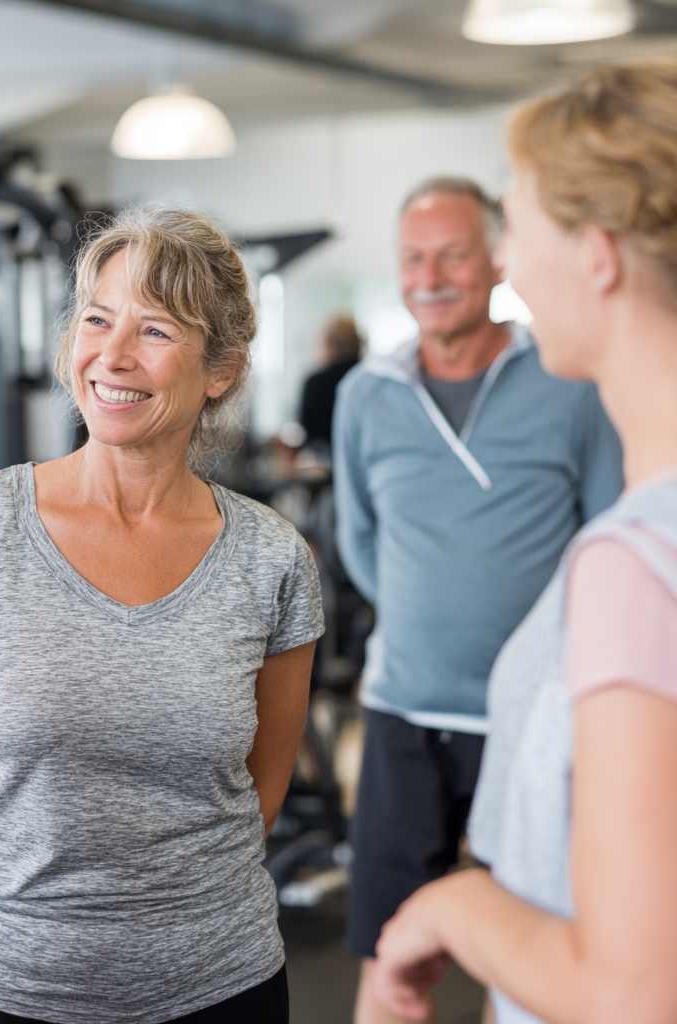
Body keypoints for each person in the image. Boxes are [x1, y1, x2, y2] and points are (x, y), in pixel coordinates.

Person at [0, 206, 325, 1024]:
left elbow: (262, 786)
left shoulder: (272, 557)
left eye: (154, 331)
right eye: (96, 320)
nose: (111, 356)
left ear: (219, 369)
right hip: (11, 992)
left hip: (223, 986)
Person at [373, 60, 677, 1024]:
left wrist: (454, 907)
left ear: (596, 254)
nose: (504, 263)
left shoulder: (632, 560)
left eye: (518, 227)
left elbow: (632, 990)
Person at [334, 176, 624, 1023]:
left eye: (452, 254)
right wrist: (432, 624)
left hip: (535, 718)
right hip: (403, 711)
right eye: (412, 257)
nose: (430, 275)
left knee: (534, 944)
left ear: (495, 259)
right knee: (385, 947)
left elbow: (603, 535)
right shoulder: (365, 394)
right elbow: (360, 540)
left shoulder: (568, 379)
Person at [299, 315, 361, 450]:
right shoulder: (370, 379)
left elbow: (309, 433)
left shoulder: (316, 384)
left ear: (331, 344)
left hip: (327, 465)